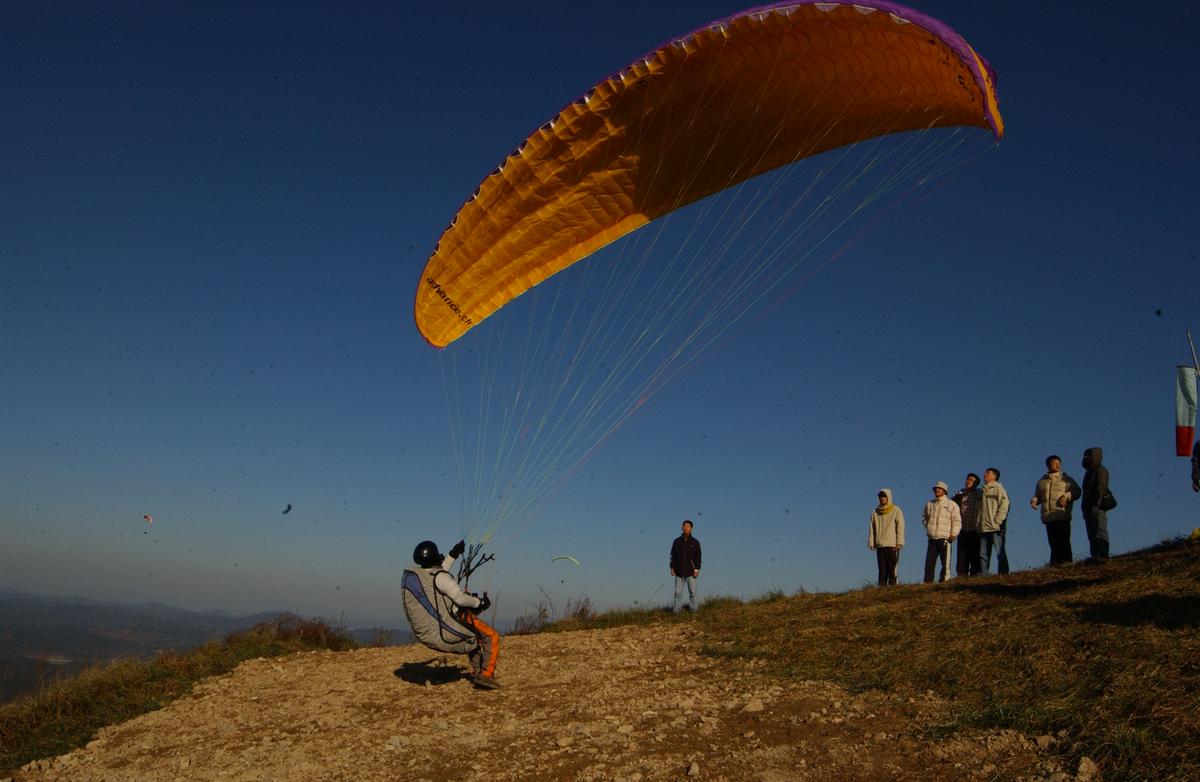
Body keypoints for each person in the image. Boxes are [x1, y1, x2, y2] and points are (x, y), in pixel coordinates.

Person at [400, 539, 501, 689]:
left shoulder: (424, 576)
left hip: (431, 630)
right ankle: (486, 676)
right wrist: (479, 602)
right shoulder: (441, 577)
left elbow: (440, 573)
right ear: (434, 556)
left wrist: (453, 554)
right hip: (450, 623)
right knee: (491, 636)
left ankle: (478, 672)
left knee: (472, 641)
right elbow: (459, 598)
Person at [1031, 454, 1081, 565]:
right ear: (1048, 465)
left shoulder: (1066, 478)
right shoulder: (1042, 481)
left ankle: (1067, 564)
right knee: (1053, 542)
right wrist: (1035, 500)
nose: (1059, 465)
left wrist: (1066, 496)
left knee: (1064, 541)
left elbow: (1077, 491)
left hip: (1061, 514)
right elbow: (1038, 495)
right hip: (1048, 516)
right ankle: (1055, 564)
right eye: (1055, 463)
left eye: (1060, 463)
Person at [922, 481, 962, 583]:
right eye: (935, 489)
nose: (936, 490)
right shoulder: (930, 504)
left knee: (945, 562)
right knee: (929, 563)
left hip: (945, 538)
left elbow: (957, 520)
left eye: (939, 489)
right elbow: (924, 517)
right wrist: (929, 528)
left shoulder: (951, 504)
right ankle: (927, 582)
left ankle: (944, 581)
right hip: (932, 539)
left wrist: (954, 533)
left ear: (944, 491)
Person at [977, 467, 1011, 574]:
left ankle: (1003, 573)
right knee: (983, 554)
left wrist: (998, 521)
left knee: (999, 552)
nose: (985, 474)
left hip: (995, 527)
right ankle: (983, 575)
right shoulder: (981, 492)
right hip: (983, 527)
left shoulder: (998, 489)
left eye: (988, 473)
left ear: (994, 476)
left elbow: (1004, 505)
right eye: (985, 472)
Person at [868, 488, 905, 585]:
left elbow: (900, 527)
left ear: (888, 497)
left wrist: (899, 542)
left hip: (892, 544)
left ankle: (893, 586)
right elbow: (872, 528)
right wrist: (871, 542)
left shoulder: (896, 510)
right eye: (880, 496)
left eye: (884, 496)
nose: (882, 498)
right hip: (880, 545)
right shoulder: (875, 512)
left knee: (892, 568)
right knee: (882, 569)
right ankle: (882, 587)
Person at [1081, 448, 1111, 561]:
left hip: (1096, 506)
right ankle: (1096, 555)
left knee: (1100, 530)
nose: (1085, 458)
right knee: (1092, 533)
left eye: (1087, 455)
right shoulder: (1089, 472)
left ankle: (1103, 555)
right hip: (1088, 507)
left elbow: (1101, 487)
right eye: (1084, 455)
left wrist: (1096, 503)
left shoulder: (1101, 470)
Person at [952, 473, 983, 577]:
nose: (968, 481)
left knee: (974, 553)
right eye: (968, 479)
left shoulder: (979, 494)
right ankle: (961, 574)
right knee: (961, 553)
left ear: (976, 483)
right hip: (962, 527)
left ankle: (974, 573)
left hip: (975, 528)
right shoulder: (959, 494)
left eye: (971, 480)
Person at [670, 519, 702, 612]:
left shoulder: (695, 542)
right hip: (679, 571)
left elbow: (698, 557)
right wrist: (672, 567)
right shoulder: (676, 541)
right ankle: (676, 612)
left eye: (688, 526)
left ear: (691, 528)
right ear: (682, 527)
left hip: (691, 572)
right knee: (677, 593)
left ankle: (694, 611)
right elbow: (673, 555)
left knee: (693, 593)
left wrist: (696, 569)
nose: (685, 528)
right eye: (684, 526)